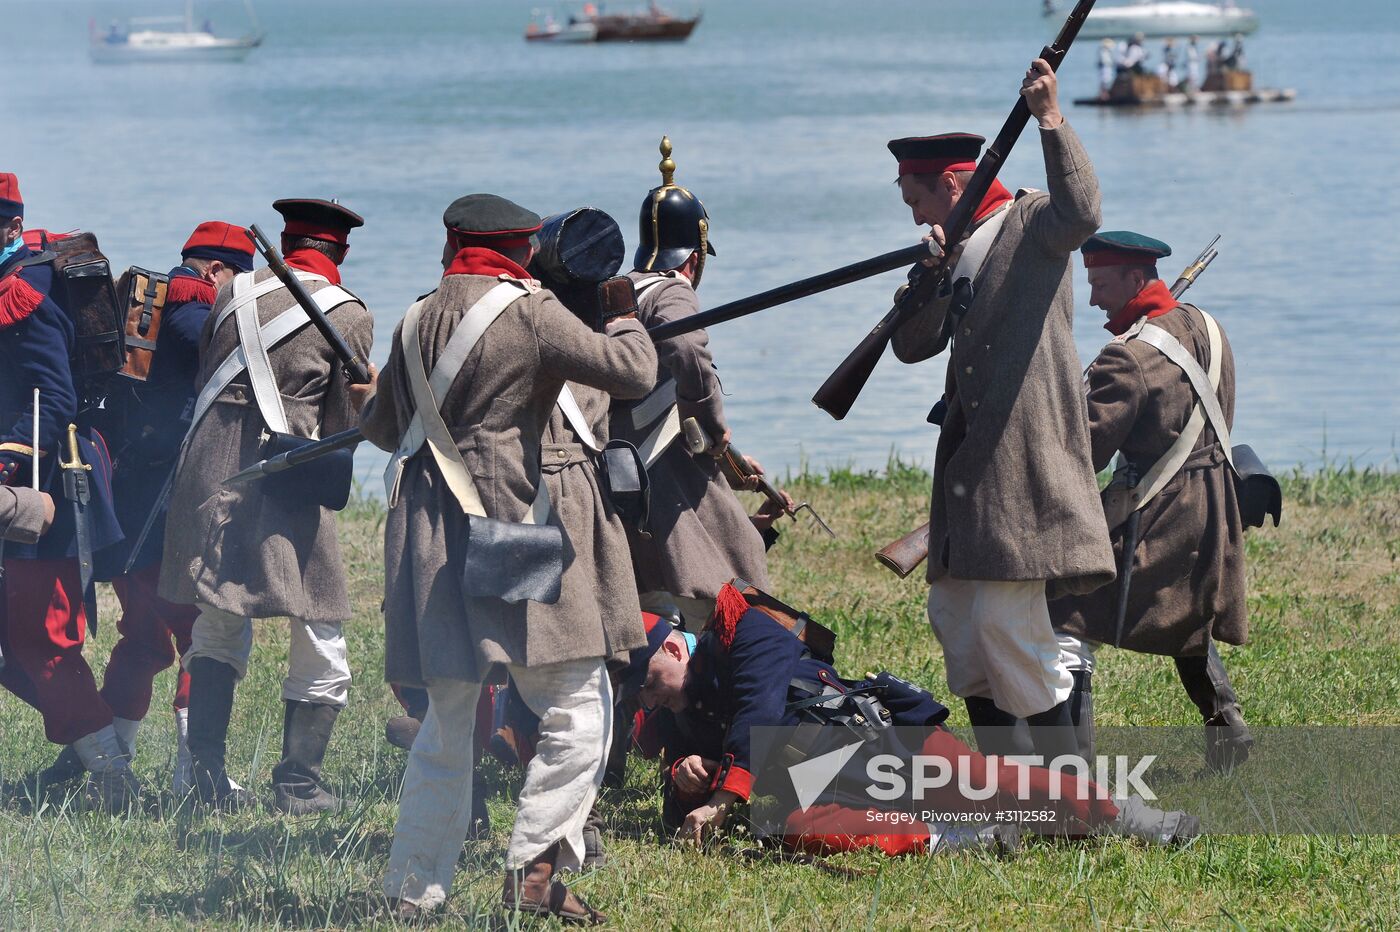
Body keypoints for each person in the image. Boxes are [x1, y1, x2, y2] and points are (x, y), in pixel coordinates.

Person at [365, 193, 656, 924]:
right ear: (524, 251)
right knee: (580, 703)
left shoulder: (412, 318)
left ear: (452, 241)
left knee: (449, 716)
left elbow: (376, 426)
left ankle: (412, 888)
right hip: (509, 531)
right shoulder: (530, 310)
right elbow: (631, 371)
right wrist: (622, 313)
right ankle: (535, 868)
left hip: (431, 537)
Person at [886, 60, 1114, 764]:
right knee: (958, 623)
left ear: (952, 185)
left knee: (1010, 628)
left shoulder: (1032, 222)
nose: (912, 213)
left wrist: (1050, 119)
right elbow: (910, 346)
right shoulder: (948, 249)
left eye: (916, 198)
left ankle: (1068, 794)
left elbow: (1084, 214)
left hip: (1023, 459)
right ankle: (1014, 791)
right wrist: (926, 280)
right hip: (969, 469)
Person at [619, 585, 1200, 854]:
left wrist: (724, 795)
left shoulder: (744, 630)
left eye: (648, 686)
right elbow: (682, 806)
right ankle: (960, 843)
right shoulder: (670, 708)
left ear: (672, 651)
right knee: (801, 832)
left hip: (882, 746)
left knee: (996, 786)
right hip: (814, 787)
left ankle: (1132, 817)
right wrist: (688, 779)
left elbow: (759, 712)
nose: (650, 704)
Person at [159, 198, 375, 812]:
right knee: (321, 622)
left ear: (286, 239)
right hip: (285, 474)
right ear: (341, 252)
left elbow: (210, 373)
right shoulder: (348, 313)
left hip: (209, 467)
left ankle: (203, 774)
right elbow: (341, 424)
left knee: (219, 619)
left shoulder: (233, 293)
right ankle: (299, 783)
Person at [42, 223, 258, 795]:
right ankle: (191, 774)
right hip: (163, 504)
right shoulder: (193, 307)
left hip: (136, 494)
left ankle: (107, 761)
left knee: (143, 636)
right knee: (196, 633)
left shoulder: (154, 301)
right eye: (238, 277)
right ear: (215, 271)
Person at [1050, 231, 1252, 772]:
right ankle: (1227, 729)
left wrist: (1071, 398)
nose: (1093, 299)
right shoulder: (1209, 328)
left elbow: (1084, 452)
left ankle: (1075, 773)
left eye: (1100, 283)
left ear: (1136, 279)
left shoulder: (1128, 357)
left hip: (1157, 510)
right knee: (1187, 612)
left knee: (1064, 610)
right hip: (1214, 505)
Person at [0, 172, 134, 810]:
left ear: (10, 225)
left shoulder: (23, 296)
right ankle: (96, 740)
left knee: (41, 639)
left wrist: (5, 467)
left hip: (37, 487)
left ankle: (114, 778)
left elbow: (50, 402)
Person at [612, 137, 773, 631]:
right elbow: (685, 352)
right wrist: (713, 427)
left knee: (651, 610)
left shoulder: (618, 291)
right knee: (719, 592)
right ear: (695, 256)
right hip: (662, 472)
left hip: (619, 467)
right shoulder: (673, 290)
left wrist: (734, 461)